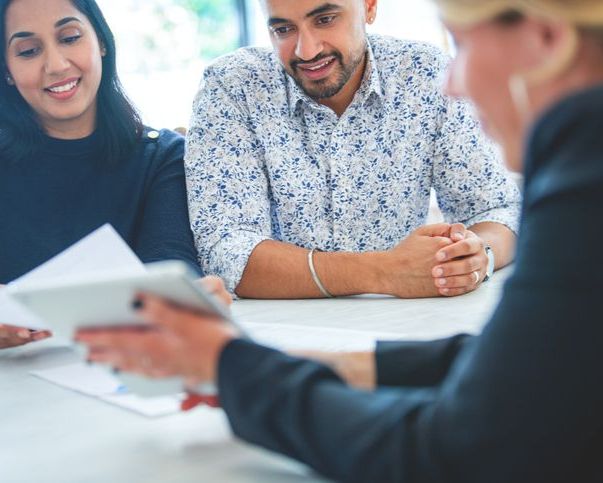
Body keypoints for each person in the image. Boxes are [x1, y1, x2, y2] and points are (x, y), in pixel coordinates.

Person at [78, 0, 603, 481]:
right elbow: (510, 366)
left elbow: (449, 450)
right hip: (305, 333)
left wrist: (234, 369)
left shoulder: (582, 182)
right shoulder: (232, 85)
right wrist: (295, 360)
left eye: (462, 46)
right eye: (283, 28)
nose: (454, 84)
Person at [185, 0, 521, 300]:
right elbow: (226, 252)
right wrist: (384, 272)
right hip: (281, 333)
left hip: (408, 325)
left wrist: (477, 255)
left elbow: (498, 209)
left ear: (370, 7)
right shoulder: (231, 87)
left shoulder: (425, 74)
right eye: (284, 29)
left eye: (325, 19)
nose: (306, 50)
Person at [0, 0, 229, 349]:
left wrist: (188, 295)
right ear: (7, 70)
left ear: (102, 42)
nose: (56, 65)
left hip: (123, 373)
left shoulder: (161, 156)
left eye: (71, 37)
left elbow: (169, 260)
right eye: (29, 50)